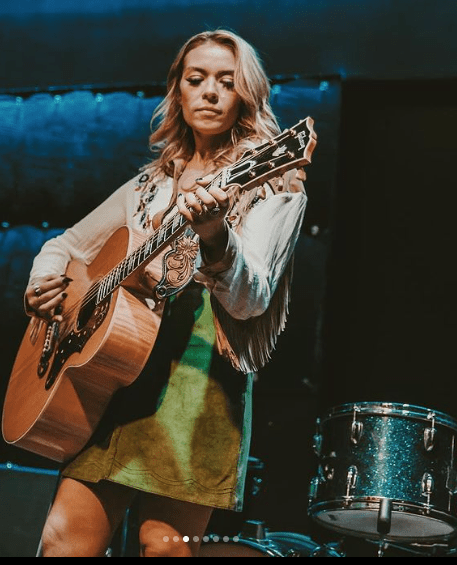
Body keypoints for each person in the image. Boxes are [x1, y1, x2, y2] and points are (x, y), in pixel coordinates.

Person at [23, 29, 309, 557]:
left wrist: (217, 237)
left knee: (164, 547)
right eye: (196, 79)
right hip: (114, 366)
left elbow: (252, 301)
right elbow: (66, 245)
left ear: (247, 94)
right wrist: (42, 286)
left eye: (227, 82)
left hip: (199, 372)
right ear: (177, 90)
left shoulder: (275, 181)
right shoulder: (150, 183)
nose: (210, 92)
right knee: (61, 538)